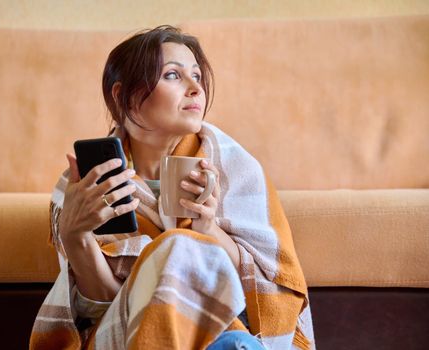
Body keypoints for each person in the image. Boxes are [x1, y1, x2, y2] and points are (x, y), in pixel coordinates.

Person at [30, 25, 314, 350]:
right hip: (128, 334)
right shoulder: (84, 187)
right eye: (173, 75)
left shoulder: (235, 168)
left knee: (225, 326)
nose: (195, 88)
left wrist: (208, 229)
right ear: (123, 96)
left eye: (197, 75)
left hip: (223, 333)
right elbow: (103, 309)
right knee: (180, 251)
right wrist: (75, 237)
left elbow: (265, 295)